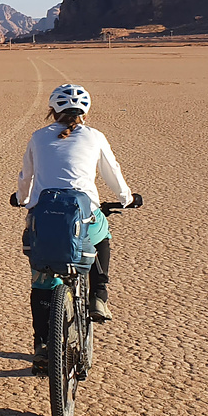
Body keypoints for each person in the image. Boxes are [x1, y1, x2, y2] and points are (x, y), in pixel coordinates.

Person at [16, 84, 132, 369]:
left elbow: (25, 176)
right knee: (101, 233)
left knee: (41, 280)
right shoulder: (94, 136)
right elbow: (112, 171)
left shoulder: (38, 137)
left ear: (51, 111)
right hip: (84, 218)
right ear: (85, 111)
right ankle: (99, 296)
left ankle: (43, 344)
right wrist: (125, 199)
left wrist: (22, 200)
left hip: (42, 222)